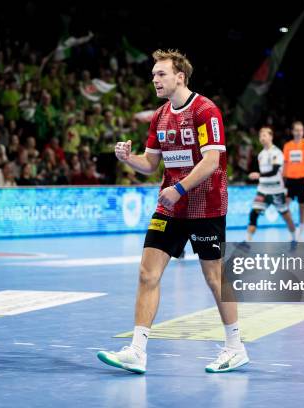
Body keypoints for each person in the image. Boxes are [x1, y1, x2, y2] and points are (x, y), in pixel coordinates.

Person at [97, 49, 249, 374]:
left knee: (214, 278)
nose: (155, 79)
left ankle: (235, 347)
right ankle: (137, 351)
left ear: (180, 76)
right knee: (146, 273)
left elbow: (211, 162)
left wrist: (179, 188)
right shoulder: (159, 116)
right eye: (153, 75)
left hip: (205, 205)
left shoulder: (205, 111)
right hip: (170, 207)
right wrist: (128, 158)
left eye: (161, 74)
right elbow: (151, 164)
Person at [246, 127, 297, 245]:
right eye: (260, 136)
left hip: (277, 191)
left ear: (271, 137)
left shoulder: (277, 153)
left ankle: (294, 237)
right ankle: (247, 242)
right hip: (263, 190)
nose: (262, 138)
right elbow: (264, 175)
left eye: (264, 135)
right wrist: (260, 179)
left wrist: (259, 175)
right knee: (253, 213)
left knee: (286, 217)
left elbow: (274, 171)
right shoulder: (260, 155)